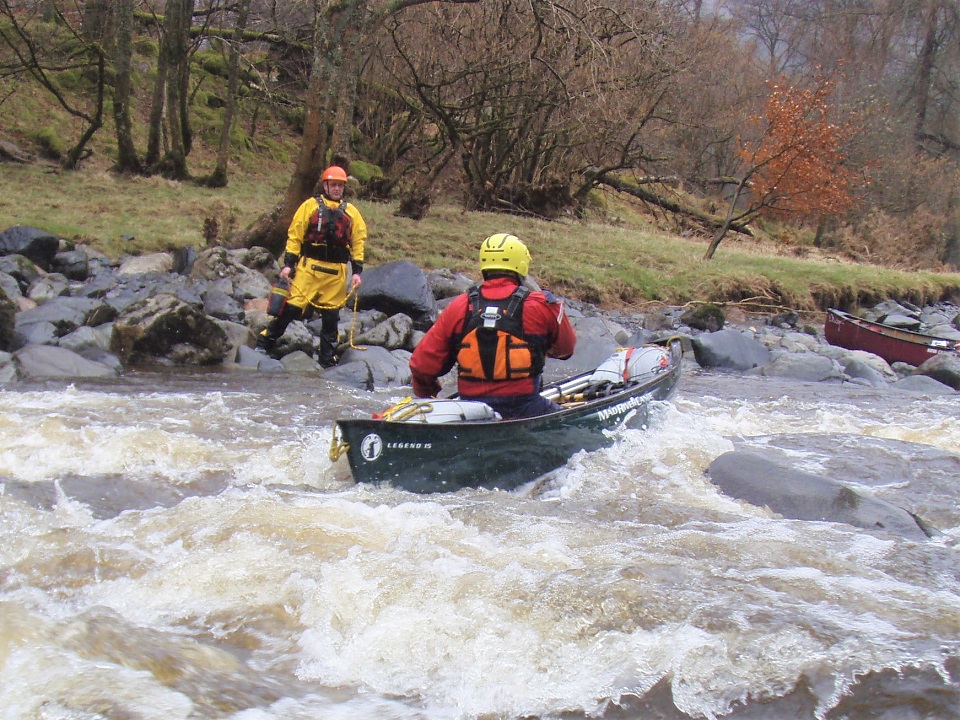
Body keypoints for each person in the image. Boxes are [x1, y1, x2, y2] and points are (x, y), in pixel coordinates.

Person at [409, 233, 576, 419]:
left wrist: (430, 395)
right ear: (521, 266)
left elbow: (421, 366)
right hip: (526, 408)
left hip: (471, 411)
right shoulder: (541, 304)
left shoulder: (460, 306)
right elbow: (565, 350)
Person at [258, 165, 367, 367]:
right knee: (291, 308)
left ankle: (327, 358)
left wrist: (357, 272)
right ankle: (265, 342)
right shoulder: (309, 206)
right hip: (310, 269)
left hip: (336, 273)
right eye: (333, 185)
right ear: (325, 185)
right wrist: (289, 264)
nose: (336, 189)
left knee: (331, 317)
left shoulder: (352, 213)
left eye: (340, 185)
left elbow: (358, 242)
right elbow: (295, 235)